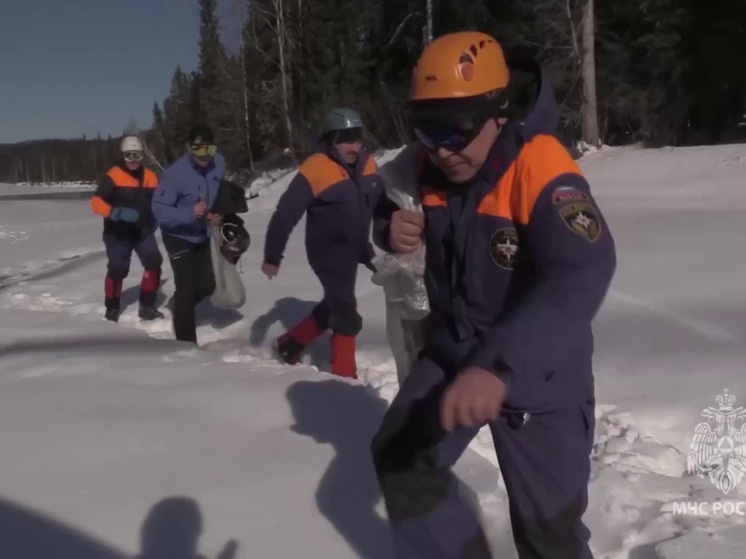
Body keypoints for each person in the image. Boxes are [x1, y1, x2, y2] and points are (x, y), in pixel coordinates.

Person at [370, 31, 617, 558]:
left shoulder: (539, 164)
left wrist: (499, 366)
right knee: (402, 458)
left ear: (499, 113)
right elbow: (385, 200)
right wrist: (389, 227)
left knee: (548, 533)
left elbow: (582, 269)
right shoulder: (427, 164)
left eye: (455, 130)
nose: (439, 148)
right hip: (456, 352)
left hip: (538, 371)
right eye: (424, 128)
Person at [262, 108, 384, 379]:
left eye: (357, 138)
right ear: (331, 140)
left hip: (357, 247)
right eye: (346, 139)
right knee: (346, 312)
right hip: (326, 252)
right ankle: (344, 378)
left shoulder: (368, 165)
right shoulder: (315, 168)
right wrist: (273, 256)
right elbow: (285, 214)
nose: (354, 146)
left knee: (334, 303)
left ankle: (288, 346)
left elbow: (382, 202)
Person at [151, 124, 226, 344]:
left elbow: (218, 192)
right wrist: (189, 213)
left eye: (209, 150)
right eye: (198, 149)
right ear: (188, 147)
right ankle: (186, 345)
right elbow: (159, 210)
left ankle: (178, 306)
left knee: (207, 286)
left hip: (201, 233)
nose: (205, 156)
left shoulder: (218, 163)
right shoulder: (175, 175)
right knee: (186, 287)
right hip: (176, 235)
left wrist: (215, 213)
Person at [91, 135, 164, 322]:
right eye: (129, 155)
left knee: (153, 262)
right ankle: (112, 307)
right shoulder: (113, 176)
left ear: (142, 156)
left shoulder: (150, 177)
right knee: (118, 269)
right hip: (117, 233)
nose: (133, 160)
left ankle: (147, 306)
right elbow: (96, 203)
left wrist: (158, 216)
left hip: (142, 231)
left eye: (137, 155)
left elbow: (159, 201)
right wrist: (116, 213)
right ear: (123, 156)